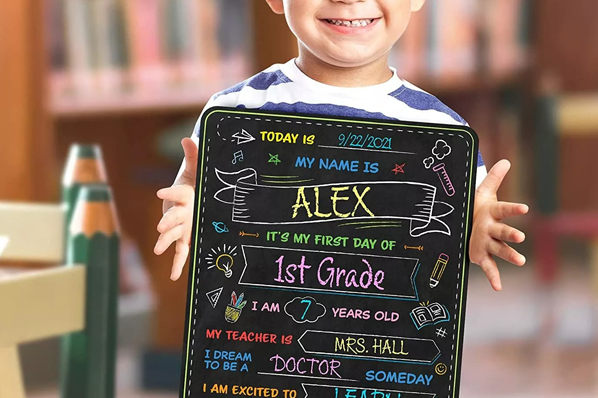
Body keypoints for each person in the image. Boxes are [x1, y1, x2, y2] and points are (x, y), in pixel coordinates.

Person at [154, 0, 529, 291]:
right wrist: (187, 209)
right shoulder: (234, 112)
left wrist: (477, 227)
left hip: (380, 364)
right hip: (257, 356)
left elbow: (456, 229)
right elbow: (185, 210)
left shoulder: (441, 130)